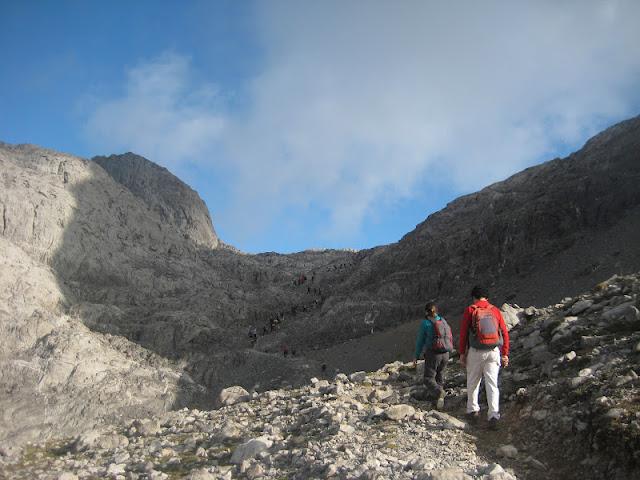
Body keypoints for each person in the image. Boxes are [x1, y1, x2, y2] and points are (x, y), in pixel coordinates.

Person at [459, 285, 510, 430]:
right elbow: (505, 333)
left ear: (474, 297)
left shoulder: (471, 310)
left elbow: (463, 334)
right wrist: (505, 353)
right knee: (492, 384)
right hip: (493, 351)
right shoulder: (495, 310)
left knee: (473, 381)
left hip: (476, 352)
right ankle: (493, 415)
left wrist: (462, 353)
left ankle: (473, 411)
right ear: (487, 297)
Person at [413, 301, 451, 410]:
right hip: (446, 353)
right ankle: (439, 402)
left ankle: (440, 393)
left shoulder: (425, 323)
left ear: (426, 312)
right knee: (439, 376)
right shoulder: (443, 321)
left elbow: (420, 341)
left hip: (434, 354)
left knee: (428, 378)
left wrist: (416, 355)